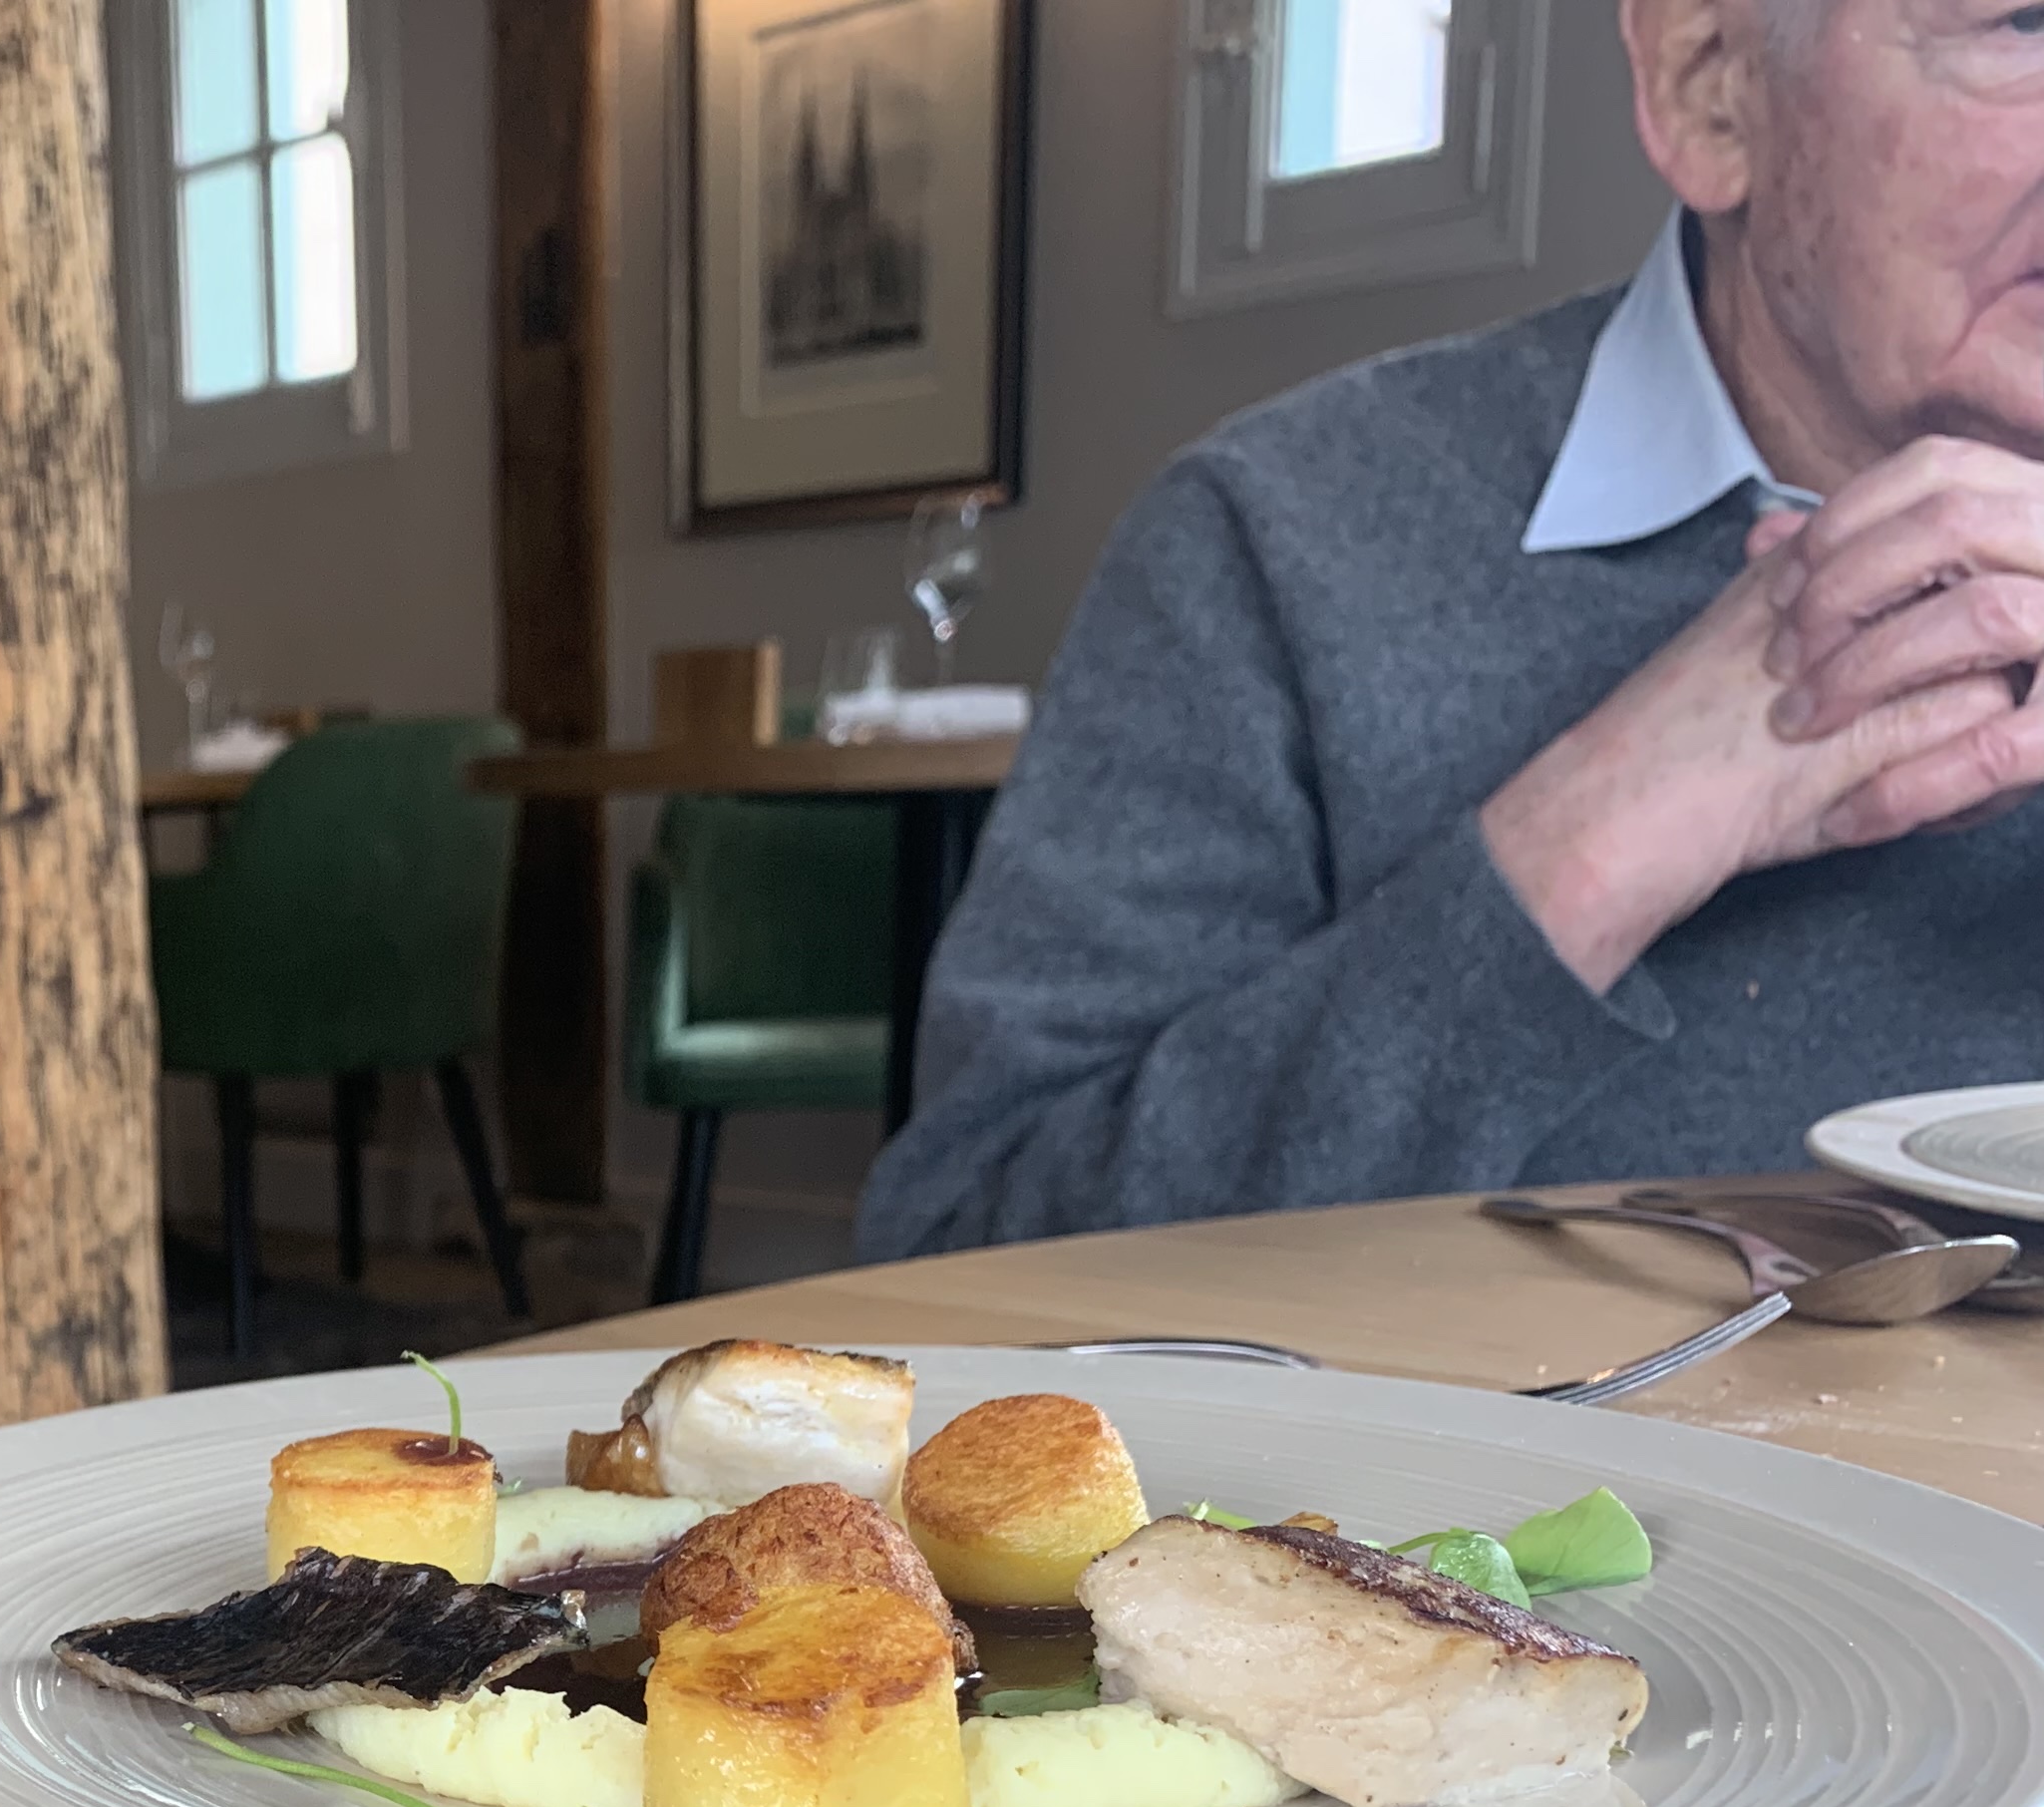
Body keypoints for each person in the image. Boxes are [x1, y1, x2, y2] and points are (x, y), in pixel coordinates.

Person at [858, 0, 2044, 1256]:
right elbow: (964, 1260)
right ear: (1709, 84)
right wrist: (1586, 850)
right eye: (2023, 24)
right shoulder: (1277, 539)